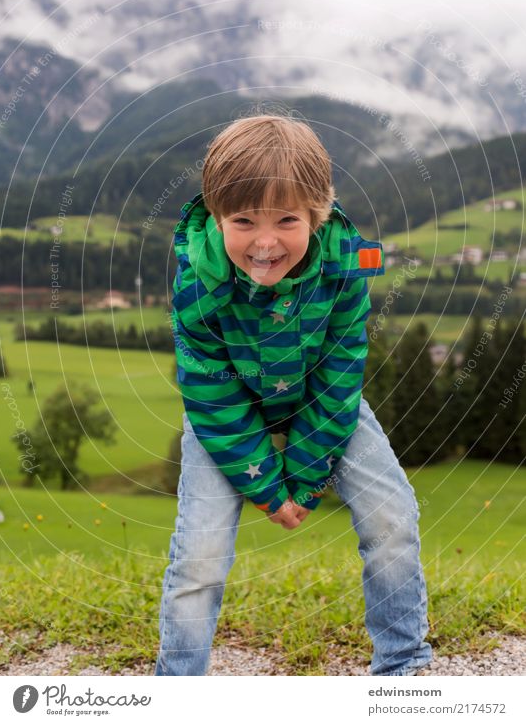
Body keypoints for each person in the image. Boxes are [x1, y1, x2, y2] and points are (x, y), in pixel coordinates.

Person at [155, 113, 432, 677]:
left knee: (393, 517)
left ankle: (404, 667)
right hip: (227, 414)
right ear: (215, 216)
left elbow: (339, 370)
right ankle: (177, 687)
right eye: (243, 221)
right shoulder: (197, 285)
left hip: (323, 398)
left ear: (318, 213)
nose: (264, 242)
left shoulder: (345, 267)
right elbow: (211, 392)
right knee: (199, 557)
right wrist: (267, 488)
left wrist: (305, 483)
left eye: (286, 219)